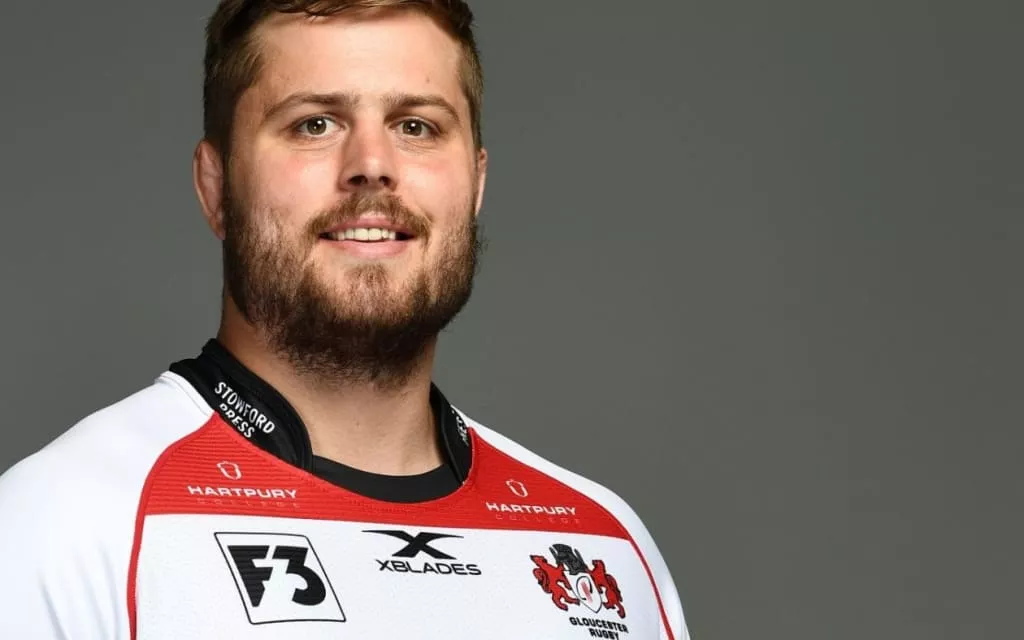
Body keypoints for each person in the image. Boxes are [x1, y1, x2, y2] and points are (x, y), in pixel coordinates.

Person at [0, 2, 691, 638]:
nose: (372, 166)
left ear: (476, 184)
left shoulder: (606, 549)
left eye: (416, 126)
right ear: (216, 188)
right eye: (315, 124)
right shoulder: (64, 529)